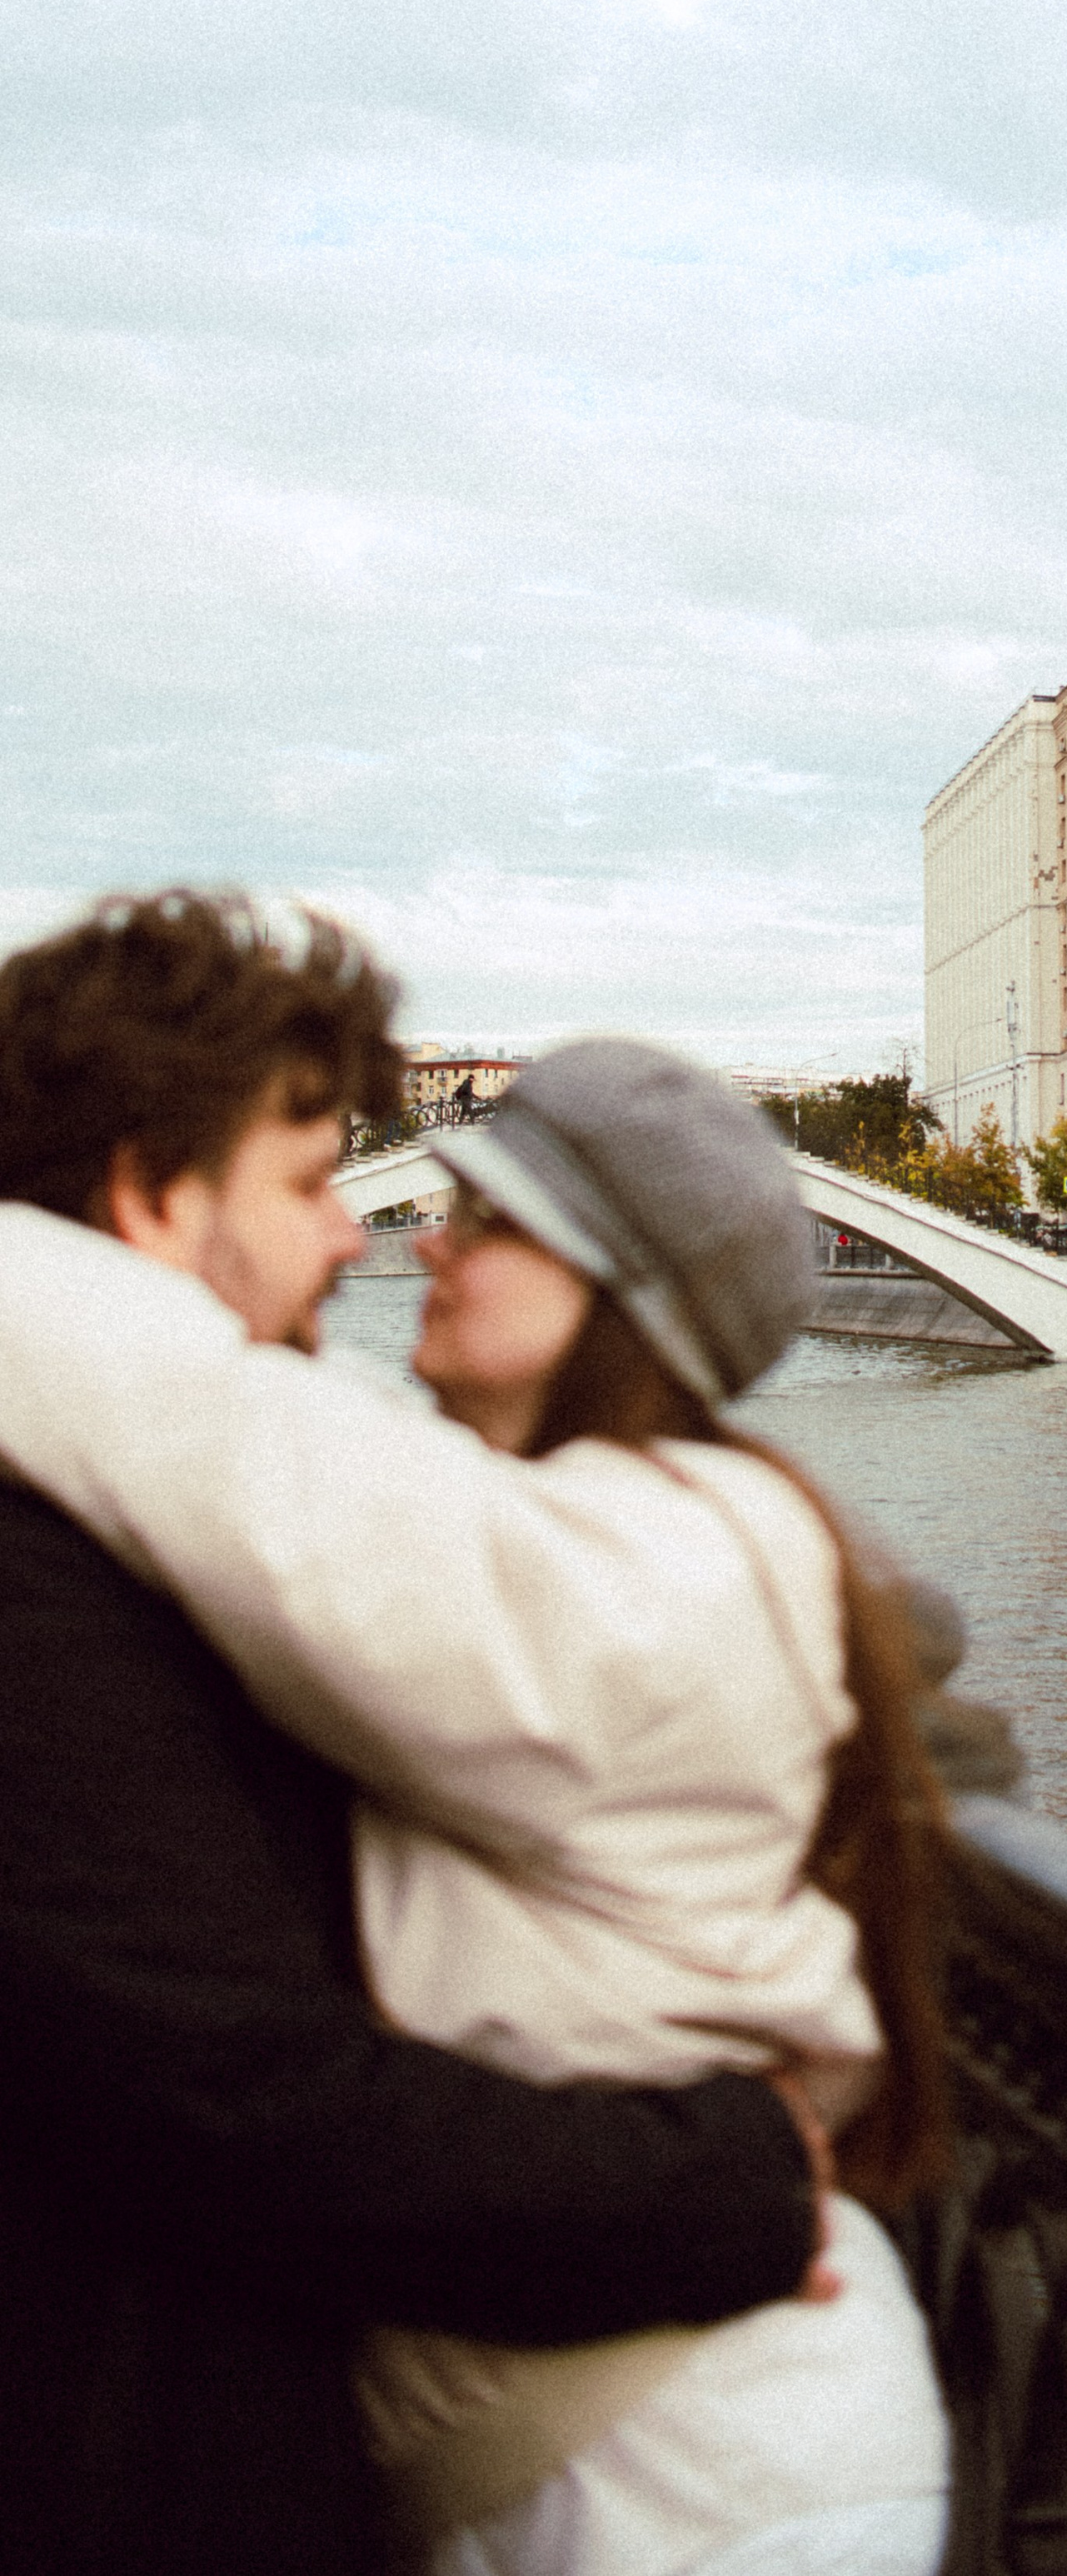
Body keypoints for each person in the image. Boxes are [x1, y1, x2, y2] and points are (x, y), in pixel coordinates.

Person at [0, 986, 955, 2573]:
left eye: (487, 1222)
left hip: (712, 2461)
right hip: (597, 2439)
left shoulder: (654, 1559)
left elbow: (206, 1433)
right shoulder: (595, 1531)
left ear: (618, 1295)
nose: (413, 1245)